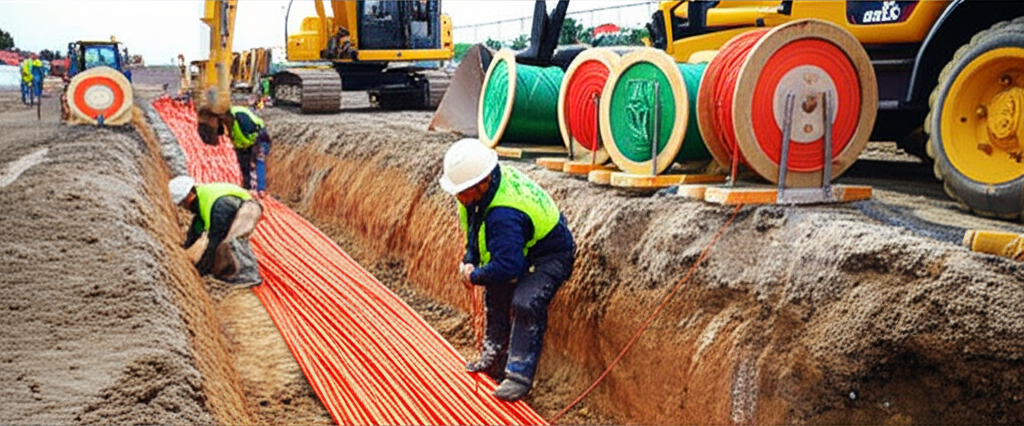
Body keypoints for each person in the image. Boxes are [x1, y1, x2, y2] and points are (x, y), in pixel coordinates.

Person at [439, 138, 576, 402]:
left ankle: (518, 376)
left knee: (525, 301)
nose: (458, 197)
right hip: (520, 247)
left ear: (482, 183)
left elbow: (508, 267)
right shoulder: (472, 195)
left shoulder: (504, 213)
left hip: (550, 254)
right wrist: (470, 259)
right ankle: (494, 359)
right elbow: (473, 232)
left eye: (463, 192)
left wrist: (474, 275)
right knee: (496, 293)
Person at [169, 176, 264, 284]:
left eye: (183, 203)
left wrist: (201, 270)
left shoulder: (216, 207)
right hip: (232, 206)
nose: (184, 207)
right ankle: (226, 270)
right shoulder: (202, 201)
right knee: (222, 244)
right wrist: (186, 247)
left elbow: (214, 240)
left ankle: (249, 276)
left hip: (248, 208)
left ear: (190, 195)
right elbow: (197, 229)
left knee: (233, 240)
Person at [196, 106, 272, 197]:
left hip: (259, 139)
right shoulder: (222, 125)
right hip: (242, 144)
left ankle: (260, 190)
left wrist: (255, 149)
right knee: (243, 165)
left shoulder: (240, 116)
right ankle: (247, 189)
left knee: (258, 161)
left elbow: (256, 133)